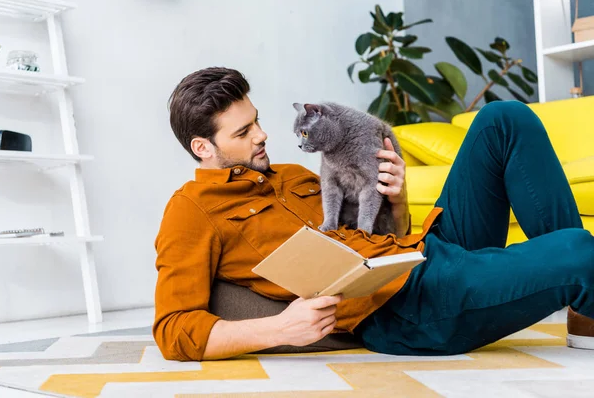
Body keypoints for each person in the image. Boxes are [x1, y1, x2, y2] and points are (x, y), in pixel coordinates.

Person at [153, 67, 594, 362]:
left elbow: (374, 235)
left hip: (423, 250)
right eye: (244, 131)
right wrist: (278, 329)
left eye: (258, 121)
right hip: (404, 308)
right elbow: (173, 329)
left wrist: (396, 200)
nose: (263, 135)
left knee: (504, 118)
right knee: (580, 251)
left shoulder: (288, 174)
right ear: (203, 148)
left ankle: (585, 314)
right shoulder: (191, 212)